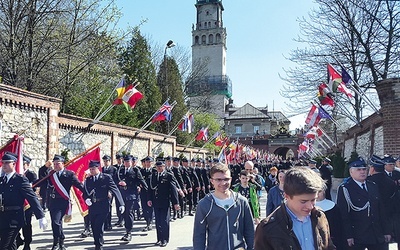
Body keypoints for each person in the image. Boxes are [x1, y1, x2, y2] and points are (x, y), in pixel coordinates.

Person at [254, 166, 334, 250]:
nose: (310, 206)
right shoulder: (268, 227)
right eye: (303, 201)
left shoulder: (319, 216)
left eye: (313, 200)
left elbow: (329, 246)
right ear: (287, 196)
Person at [193, 163, 254, 250]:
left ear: (231, 179)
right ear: (212, 181)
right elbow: (199, 235)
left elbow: (250, 231)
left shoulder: (241, 202)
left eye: (226, 179)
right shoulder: (204, 204)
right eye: (218, 180)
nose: (223, 183)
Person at [337, 157, 391, 250]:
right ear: (351, 172)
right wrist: (348, 235)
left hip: (376, 233)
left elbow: (381, 210)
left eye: (364, 169)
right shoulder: (345, 189)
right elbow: (343, 214)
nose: (362, 172)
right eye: (359, 170)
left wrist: (386, 231)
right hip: (357, 235)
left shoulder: (372, 186)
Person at [0, 152, 48, 250]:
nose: (4, 165)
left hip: (14, 219)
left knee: (4, 246)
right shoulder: (1, 180)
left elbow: (32, 197)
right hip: (2, 217)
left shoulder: (20, 180)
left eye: (7, 163)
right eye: (3, 162)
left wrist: (41, 216)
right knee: (11, 245)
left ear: (14, 164)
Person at [83, 160, 125, 250]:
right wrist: (86, 199)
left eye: (93, 169)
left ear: (98, 168)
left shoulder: (106, 177)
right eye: (90, 169)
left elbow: (115, 189)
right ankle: (97, 242)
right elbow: (85, 192)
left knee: (99, 225)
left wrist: (121, 203)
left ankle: (99, 245)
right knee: (94, 226)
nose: (91, 171)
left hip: (103, 205)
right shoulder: (88, 179)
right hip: (93, 206)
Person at [47, 154, 85, 250]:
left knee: (57, 222)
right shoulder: (51, 174)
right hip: (53, 202)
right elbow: (41, 180)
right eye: (54, 164)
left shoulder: (69, 174)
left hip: (63, 202)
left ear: (63, 164)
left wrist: (88, 193)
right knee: (55, 222)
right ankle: (59, 242)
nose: (55, 166)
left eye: (57, 164)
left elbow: (78, 185)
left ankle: (58, 242)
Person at [147, 161, 180, 247]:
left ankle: (165, 239)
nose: (158, 168)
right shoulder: (153, 176)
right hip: (156, 202)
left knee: (164, 221)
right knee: (158, 221)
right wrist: (149, 199)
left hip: (165, 202)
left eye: (160, 166)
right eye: (157, 167)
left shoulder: (169, 176)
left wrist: (175, 203)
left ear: (164, 167)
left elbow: (173, 191)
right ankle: (159, 239)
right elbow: (151, 189)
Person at [117, 155, 148, 242]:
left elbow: (140, 180)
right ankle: (126, 231)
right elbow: (116, 180)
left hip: (131, 195)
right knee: (123, 213)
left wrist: (148, 191)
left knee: (129, 213)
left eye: (128, 162)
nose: (126, 163)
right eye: (125, 162)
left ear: (131, 162)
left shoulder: (135, 170)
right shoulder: (121, 170)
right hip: (122, 195)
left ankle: (129, 232)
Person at [16, 155, 38, 250]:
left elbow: (34, 188)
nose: (21, 165)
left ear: (27, 165)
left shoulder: (31, 174)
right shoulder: (16, 174)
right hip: (17, 203)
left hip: (27, 204)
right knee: (14, 223)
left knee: (26, 224)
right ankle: (18, 239)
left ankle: (27, 243)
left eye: (23, 164)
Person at [100, 155, 117, 231]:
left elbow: (114, 182)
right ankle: (104, 224)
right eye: (104, 161)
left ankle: (108, 224)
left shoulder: (113, 169)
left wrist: (110, 191)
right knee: (103, 208)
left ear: (110, 161)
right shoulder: (101, 169)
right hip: (102, 191)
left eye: (107, 161)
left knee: (108, 207)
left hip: (110, 191)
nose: (105, 162)